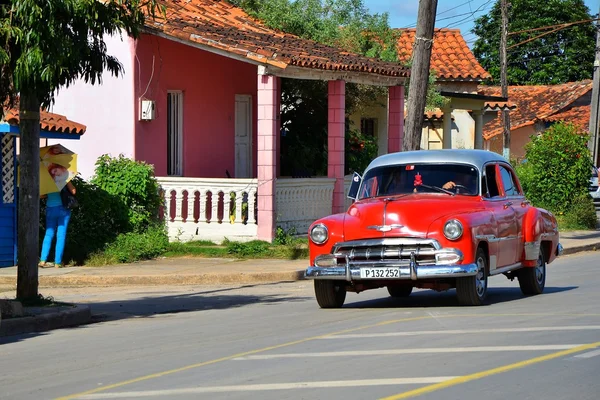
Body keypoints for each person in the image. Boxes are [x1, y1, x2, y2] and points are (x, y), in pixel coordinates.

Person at [39, 181, 76, 268]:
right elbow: (73, 191)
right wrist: (68, 181)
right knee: (61, 235)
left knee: (48, 234)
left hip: (50, 209)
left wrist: (48, 195)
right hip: (63, 209)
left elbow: (40, 195)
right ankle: (57, 262)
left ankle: (43, 260)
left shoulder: (47, 179)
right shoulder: (63, 178)